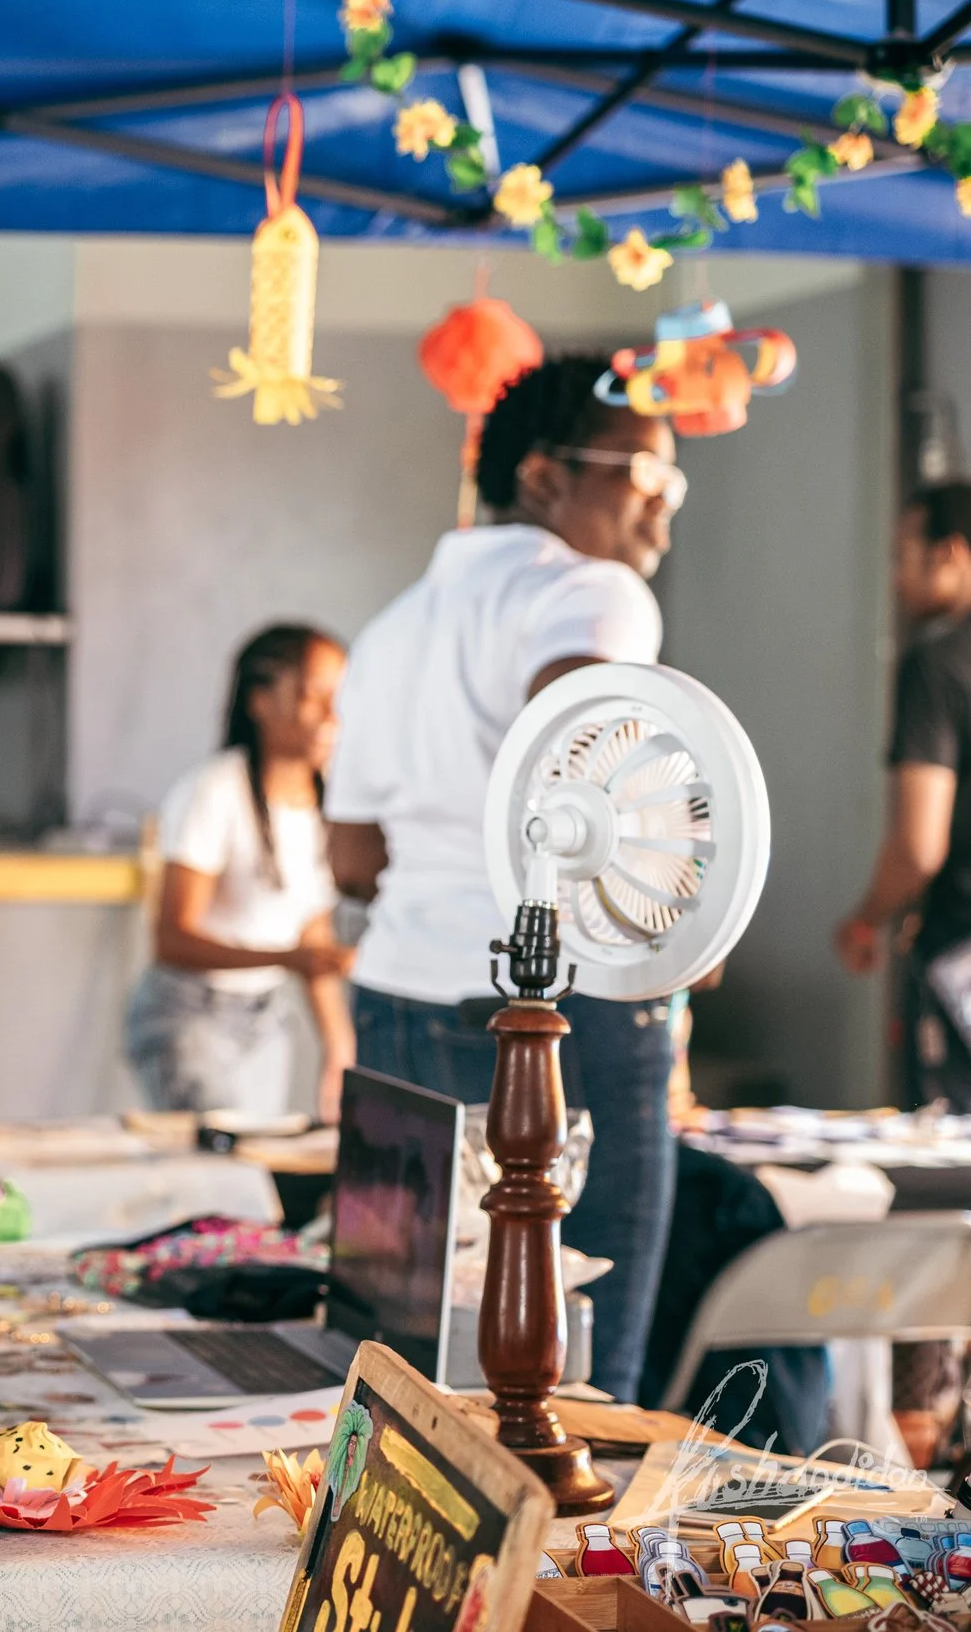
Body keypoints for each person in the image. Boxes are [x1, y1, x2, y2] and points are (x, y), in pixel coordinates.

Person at [324, 354, 687, 1400]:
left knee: (412, 1350)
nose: (661, 515)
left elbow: (353, 857)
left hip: (396, 990)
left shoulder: (393, 623)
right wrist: (664, 900)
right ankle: (558, 1564)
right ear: (542, 476)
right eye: (644, 480)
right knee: (572, 1365)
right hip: (549, 1009)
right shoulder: (590, 592)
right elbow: (568, 761)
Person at [124, 624, 352, 1119]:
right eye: (315, 696)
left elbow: (313, 933)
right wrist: (291, 959)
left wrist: (339, 1048)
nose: (334, 716)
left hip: (267, 1015)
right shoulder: (214, 790)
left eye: (342, 696)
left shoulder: (328, 798)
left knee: (257, 1172)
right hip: (188, 1016)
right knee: (223, 1174)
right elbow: (171, 940)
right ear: (260, 701)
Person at [836, 482, 971, 1108]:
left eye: (903, 555)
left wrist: (868, 918)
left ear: (951, 554)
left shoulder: (938, 665)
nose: (895, 577)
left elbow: (919, 847)